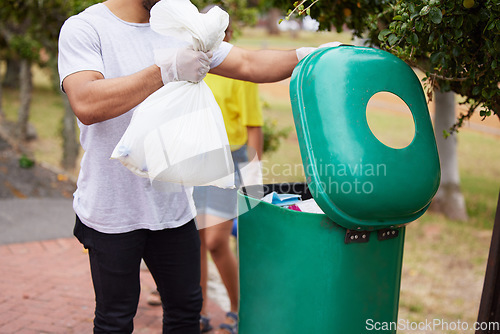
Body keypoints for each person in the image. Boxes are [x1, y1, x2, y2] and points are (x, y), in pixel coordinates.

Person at [57, 0, 338, 332]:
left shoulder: (178, 25)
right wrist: (164, 70)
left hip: (174, 207)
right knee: (115, 319)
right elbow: (86, 101)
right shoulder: (86, 28)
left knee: (186, 309)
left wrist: (309, 55)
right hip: (113, 211)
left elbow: (248, 63)